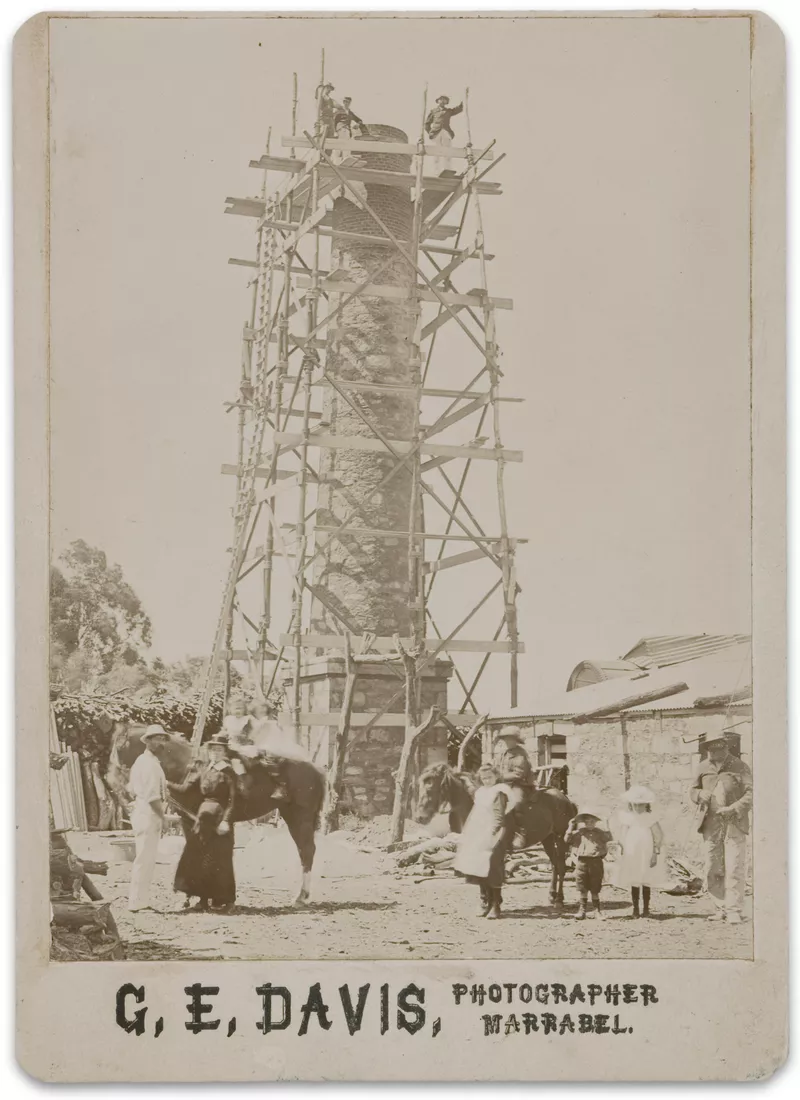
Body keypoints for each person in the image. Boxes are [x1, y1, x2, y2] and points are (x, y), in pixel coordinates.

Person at [168, 734, 237, 912]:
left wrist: (226, 821)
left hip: (220, 818)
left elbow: (232, 801)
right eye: (213, 749)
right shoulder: (205, 770)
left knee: (220, 860)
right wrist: (164, 783)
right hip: (203, 818)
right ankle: (202, 899)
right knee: (200, 858)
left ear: (225, 752)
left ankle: (227, 901)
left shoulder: (229, 772)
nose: (215, 752)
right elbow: (184, 789)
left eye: (219, 749)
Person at [690, 733, 753, 924]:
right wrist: (699, 794)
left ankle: (734, 909)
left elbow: (751, 793)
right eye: (709, 748)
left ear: (725, 747)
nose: (712, 751)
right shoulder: (702, 767)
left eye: (717, 747)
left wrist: (734, 808)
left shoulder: (740, 766)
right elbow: (692, 790)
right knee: (712, 866)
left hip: (734, 822)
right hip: (710, 823)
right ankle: (720, 907)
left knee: (734, 865)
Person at [452, 763, 514, 919]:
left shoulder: (499, 791)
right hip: (479, 831)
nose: (487, 781)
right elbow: (477, 810)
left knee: (492, 866)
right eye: (484, 778)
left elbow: (498, 816)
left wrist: (492, 833)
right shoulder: (481, 792)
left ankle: (496, 904)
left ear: (496, 776)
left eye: (490, 777)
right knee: (478, 865)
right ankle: (485, 900)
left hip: (493, 831)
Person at [126, 724, 170, 912]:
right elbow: (153, 797)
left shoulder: (144, 761)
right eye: (157, 738)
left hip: (143, 810)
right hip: (148, 813)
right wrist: (164, 818)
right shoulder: (149, 764)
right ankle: (136, 902)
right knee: (144, 859)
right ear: (148, 741)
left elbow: (131, 788)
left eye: (163, 739)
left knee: (147, 859)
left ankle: (140, 900)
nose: (161, 742)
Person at [612, 785, 670, 918]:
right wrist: (622, 847)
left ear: (646, 805)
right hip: (632, 851)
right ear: (631, 804)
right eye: (636, 805)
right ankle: (635, 909)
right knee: (635, 878)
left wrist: (655, 852)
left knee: (645, 877)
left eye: (641, 805)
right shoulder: (627, 818)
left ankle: (646, 909)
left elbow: (658, 836)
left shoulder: (650, 818)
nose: (638, 808)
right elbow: (622, 835)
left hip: (646, 850)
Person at [564, 810, 613, 920]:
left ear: (595, 822)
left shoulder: (600, 833)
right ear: (584, 823)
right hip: (582, 862)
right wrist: (570, 826)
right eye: (587, 822)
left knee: (595, 888)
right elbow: (567, 840)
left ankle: (597, 911)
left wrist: (607, 825)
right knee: (583, 887)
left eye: (592, 821)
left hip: (596, 862)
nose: (589, 824)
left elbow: (609, 838)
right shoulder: (580, 832)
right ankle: (582, 911)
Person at [492, 729, 536, 812]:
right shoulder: (503, 753)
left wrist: (499, 777)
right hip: (503, 784)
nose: (507, 741)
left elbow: (518, 774)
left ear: (516, 741)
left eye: (509, 739)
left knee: (516, 802)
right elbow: (496, 768)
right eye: (505, 739)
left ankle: (519, 819)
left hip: (519, 784)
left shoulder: (520, 754)